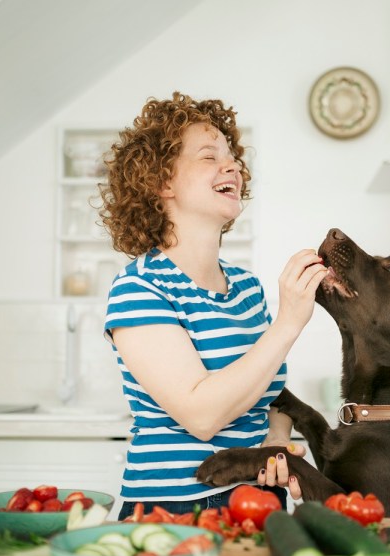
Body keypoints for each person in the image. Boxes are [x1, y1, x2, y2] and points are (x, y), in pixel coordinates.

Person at [99, 92, 326, 520]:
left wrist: (275, 443)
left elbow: (271, 395)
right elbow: (202, 415)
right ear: (161, 183)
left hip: (259, 502)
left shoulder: (246, 287)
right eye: (209, 156)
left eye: (232, 157)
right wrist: (289, 322)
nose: (232, 167)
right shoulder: (139, 287)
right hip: (175, 509)